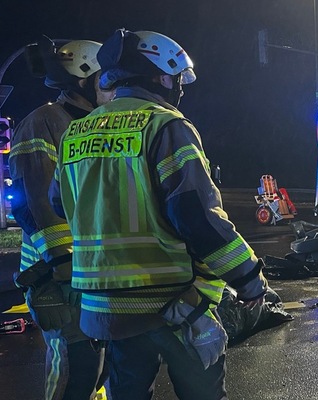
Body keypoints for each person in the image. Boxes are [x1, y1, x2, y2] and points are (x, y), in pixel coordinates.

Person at [50, 29, 271, 400]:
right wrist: (248, 277)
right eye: (177, 78)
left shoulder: (76, 134)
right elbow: (197, 217)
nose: (179, 88)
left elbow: (60, 203)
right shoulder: (165, 126)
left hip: (104, 310)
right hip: (167, 305)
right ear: (160, 76)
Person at [8, 36, 114, 400]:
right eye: (106, 77)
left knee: (105, 371)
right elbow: (31, 202)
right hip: (59, 277)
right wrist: (63, 266)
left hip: (99, 274)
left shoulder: (105, 125)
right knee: (76, 369)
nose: (114, 84)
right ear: (83, 79)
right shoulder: (45, 122)